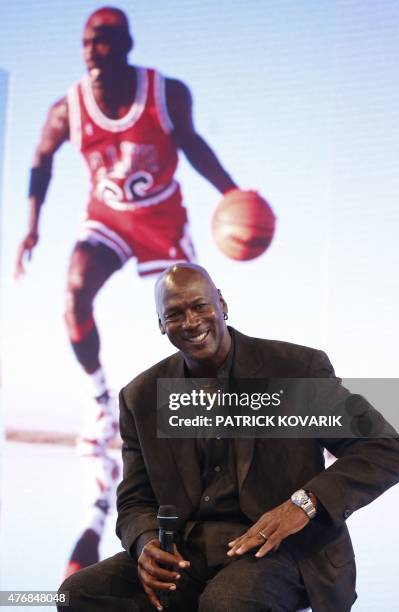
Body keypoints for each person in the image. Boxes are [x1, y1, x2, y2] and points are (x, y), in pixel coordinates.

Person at [14, 7, 237, 576]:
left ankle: (204, 414)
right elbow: (40, 161)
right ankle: (98, 405)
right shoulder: (67, 108)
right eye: (89, 40)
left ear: (128, 44)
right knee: (73, 299)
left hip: (161, 219)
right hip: (108, 218)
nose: (96, 48)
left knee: (194, 321)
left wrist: (232, 192)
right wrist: (32, 224)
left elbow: (191, 142)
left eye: (107, 38)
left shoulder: (164, 92)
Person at [59, 263, 399, 611]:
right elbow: (135, 501)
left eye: (200, 306)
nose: (192, 322)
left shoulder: (293, 369)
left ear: (222, 304)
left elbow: (386, 448)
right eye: (175, 314)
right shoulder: (141, 396)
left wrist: (304, 503)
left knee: (226, 604)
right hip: (186, 556)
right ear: (161, 325)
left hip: (285, 551)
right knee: (76, 594)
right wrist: (146, 542)